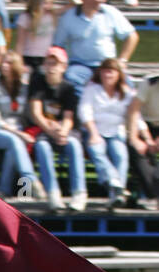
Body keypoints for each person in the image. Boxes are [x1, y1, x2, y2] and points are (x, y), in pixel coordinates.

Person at [24, 44, 87, 209]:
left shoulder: (69, 88)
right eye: (49, 63)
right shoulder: (37, 83)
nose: (51, 68)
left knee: (74, 145)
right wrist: (51, 131)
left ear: (64, 67)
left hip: (63, 131)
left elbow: (69, 117)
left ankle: (79, 193)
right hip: (46, 130)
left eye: (56, 64)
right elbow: (36, 114)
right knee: (42, 147)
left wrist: (63, 132)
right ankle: (53, 193)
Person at [52, 0, 138, 88]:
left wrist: (122, 60)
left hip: (108, 64)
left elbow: (131, 36)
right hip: (80, 65)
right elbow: (58, 45)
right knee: (71, 82)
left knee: (127, 87)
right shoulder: (69, 17)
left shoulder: (111, 12)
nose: (101, 0)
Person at [0, 48, 41, 196]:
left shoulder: (24, 88)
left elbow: (28, 114)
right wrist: (19, 133)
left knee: (12, 151)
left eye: (9, 63)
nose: (4, 66)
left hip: (18, 132)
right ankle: (31, 181)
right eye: (3, 62)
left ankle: (6, 190)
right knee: (15, 141)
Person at [78, 55, 134, 204]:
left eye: (111, 71)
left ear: (118, 74)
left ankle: (116, 195)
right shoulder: (91, 90)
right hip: (95, 132)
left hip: (116, 133)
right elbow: (85, 112)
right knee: (97, 151)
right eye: (105, 71)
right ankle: (114, 181)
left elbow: (135, 115)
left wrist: (143, 136)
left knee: (120, 155)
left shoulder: (126, 92)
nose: (107, 75)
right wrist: (93, 134)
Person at [15, 0, 79, 67]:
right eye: (45, 3)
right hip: (29, 57)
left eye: (49, 3)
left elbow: (77, 3)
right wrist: (19, 63)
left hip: (47, 57)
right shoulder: (25, 17)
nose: (47, 6)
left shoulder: (52, 14)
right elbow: (20, 43)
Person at [126, 68, 159, 206]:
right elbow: (133, 110)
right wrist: (134, 138)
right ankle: (153, 195)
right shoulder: (148, 82)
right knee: (135, 150)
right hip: (144, 125)